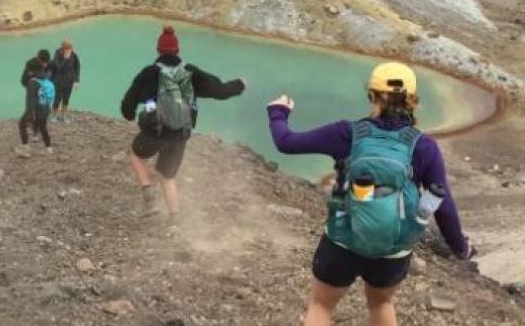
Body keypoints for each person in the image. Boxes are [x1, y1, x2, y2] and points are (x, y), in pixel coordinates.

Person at [268, 62, 474, 326]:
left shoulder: (346, 133)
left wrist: (278, 112)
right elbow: (443, 206)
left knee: (320, 306)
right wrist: (460, 247)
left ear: (372, 96)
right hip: (393, 250)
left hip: (343, 240)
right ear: (413, 100)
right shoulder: (424, 146)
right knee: (381, 303)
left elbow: (287, 143)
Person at [120, 25, 245, 222]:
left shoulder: (149, 73)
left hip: (154, 131)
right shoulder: (190, 72)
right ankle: (174, 218)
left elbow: (128, 105)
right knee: (166, 175)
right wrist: (240, 84)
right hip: (180, 134)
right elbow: (219, 90)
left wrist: (130, 114)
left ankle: (147, 191)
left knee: (135, 154)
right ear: (177, 50)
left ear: (158, 50)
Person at [16, 59, 56, 155]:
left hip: (36, 110)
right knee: (42, 127)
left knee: (21, 124)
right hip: (46, 108)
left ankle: (25, 149)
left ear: (31, 70)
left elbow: (31, 102)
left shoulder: (32, 82)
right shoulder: (46, 78)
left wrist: (29, 116)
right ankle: (49, 148)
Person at [51, 40, 81, 123]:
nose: (69, 51)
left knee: (66, 99)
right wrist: (65, 59)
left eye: (70, 49)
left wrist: (76, 81)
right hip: (58, 81)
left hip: (69, 81)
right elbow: (58, 68)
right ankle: (54, 116)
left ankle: (64, 116)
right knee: (57, 99)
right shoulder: (57, 55)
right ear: (63, 49)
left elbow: (77, 68)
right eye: (67, 49)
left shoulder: (74, 55)